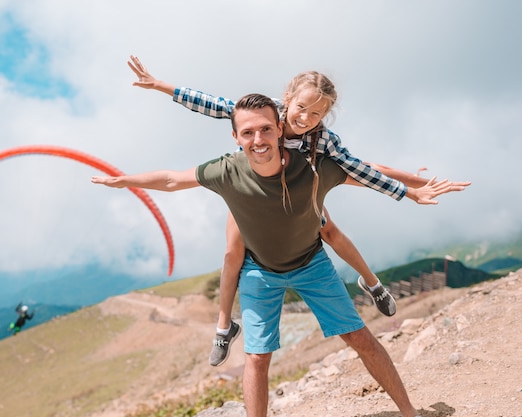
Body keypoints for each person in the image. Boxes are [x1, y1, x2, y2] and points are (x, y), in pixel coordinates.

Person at [92, 93, 469, 417]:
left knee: (361, 339)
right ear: (236, 137)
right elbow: (173, 179)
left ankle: (409, 412)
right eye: (248, 132)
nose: (258, 139)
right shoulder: (227, 170)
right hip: (260, 273)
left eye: (265, 129)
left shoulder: (314, 167)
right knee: (257, 358)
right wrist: (126, 180)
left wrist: (417, 182)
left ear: (280, 128)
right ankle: (226, 330)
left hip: (312, 265)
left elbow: (368, 171)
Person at [127, 56, 458, 367]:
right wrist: (159, 85)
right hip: (255, 193)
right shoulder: (266, 115)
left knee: (330, 232)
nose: (305, 118)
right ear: (287, 99)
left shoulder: (324, 140)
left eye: (316, 114)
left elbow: (362, 168)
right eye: (301, 107)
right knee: (232, 254)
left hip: (300, 190)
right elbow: (213, 104)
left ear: (325, 116)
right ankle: (224, 327)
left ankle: (372, 285)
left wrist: (411, 188)